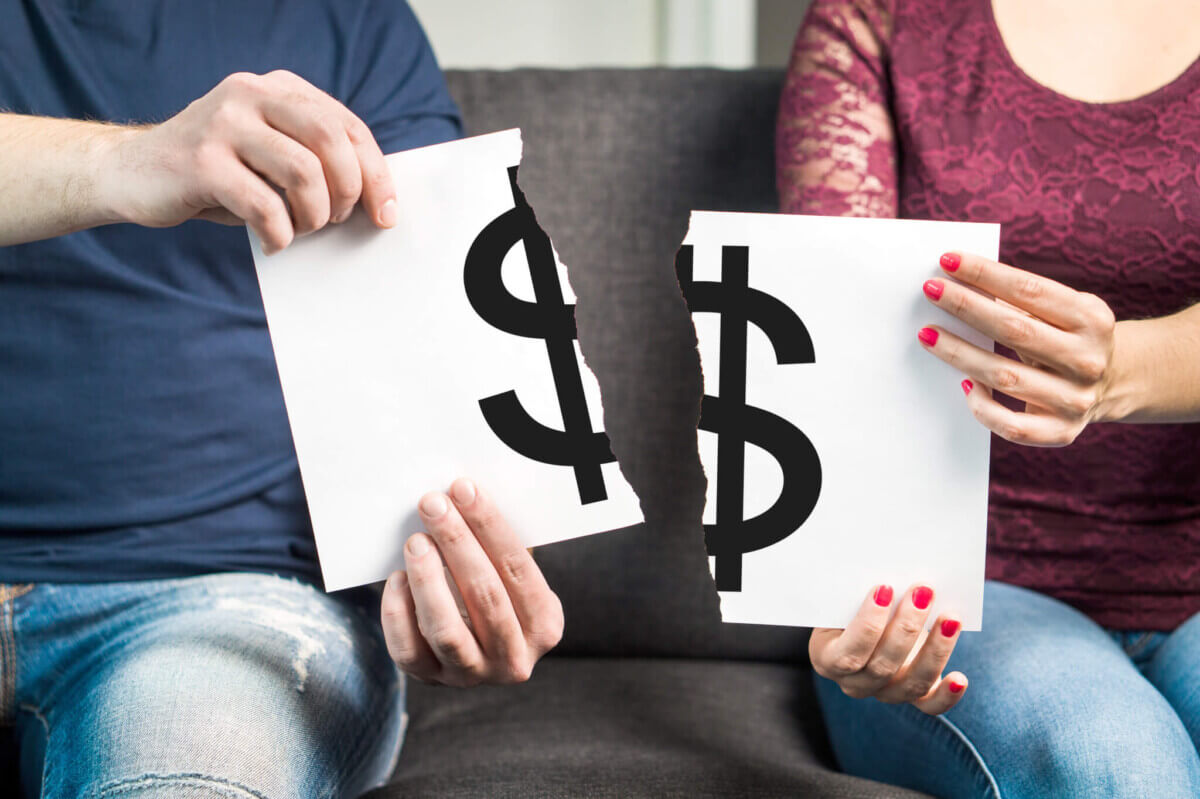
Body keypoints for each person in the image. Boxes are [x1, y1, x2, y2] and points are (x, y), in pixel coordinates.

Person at [0, 2, 562, 797]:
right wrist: (128, 161)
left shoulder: (353, 22)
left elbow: (431, 351)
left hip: (223, 599)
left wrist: (466, 570)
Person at [776, 0, 1200, 795]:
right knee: (1117, 769)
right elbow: (831, 339)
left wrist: (1123, 369)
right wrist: (840, 579)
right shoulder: (880, 17)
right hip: (965, 593)